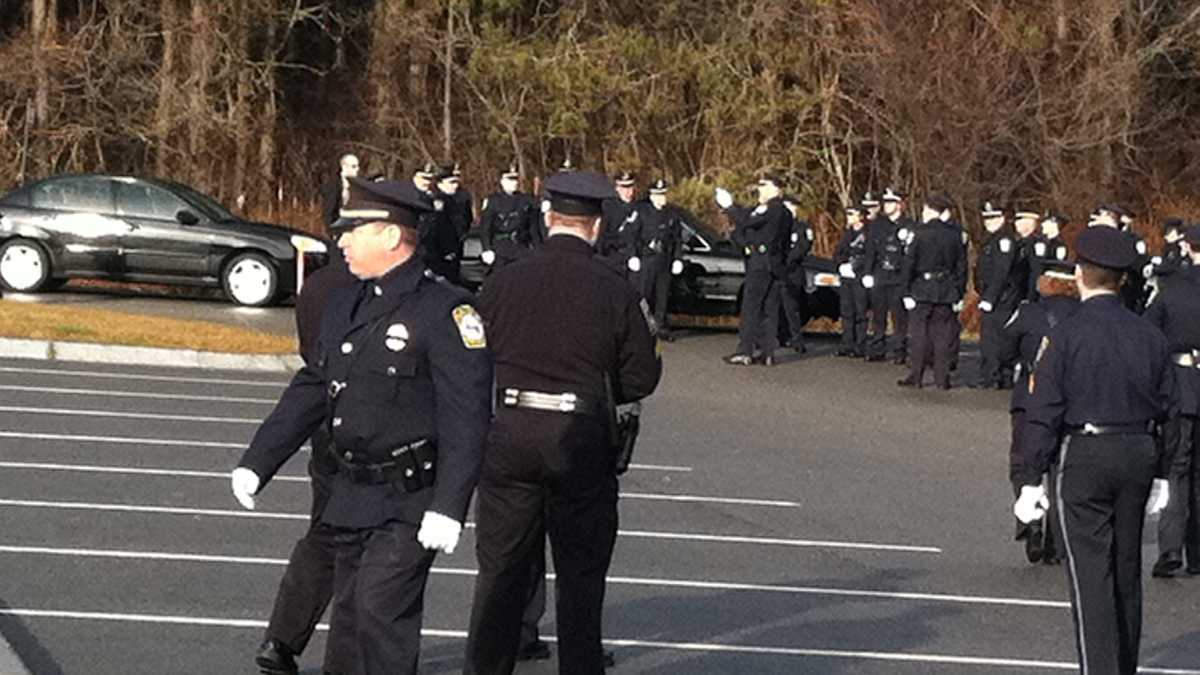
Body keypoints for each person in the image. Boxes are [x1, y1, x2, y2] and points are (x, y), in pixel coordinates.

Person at [230, 177, 492, 675]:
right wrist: (259, 460)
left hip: (411, 496)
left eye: (354, 231)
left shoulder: (445, 311)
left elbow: (469, 414)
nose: (342, 241)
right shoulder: (348, 302)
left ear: (392, 236)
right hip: (350, 491)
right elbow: (313, 386)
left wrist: (449, 506)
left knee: (380, 613)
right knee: (349, 622)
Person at [464, 169, 661, 675]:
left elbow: (473, 358)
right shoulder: (613, 288)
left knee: (500, 574)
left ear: (548, 218)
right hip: (579, 441)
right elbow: (640, 378)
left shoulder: (505, 280)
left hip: (509, 432)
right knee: (580, 579)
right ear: (596, 226)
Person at [1013, 225, 1173, 675]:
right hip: (1138, 450)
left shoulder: (1066, 334)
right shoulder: (1149, 336)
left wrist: (1029, 476)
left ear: (1080, 274)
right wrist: (1162, 470)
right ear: (1122, 279)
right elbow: (1168, 406)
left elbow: (1043, 408)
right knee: (1126, 572)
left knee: (1090, 579)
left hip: (1085, 451)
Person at [253, 245, 357, 675]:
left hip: (325, 420)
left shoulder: (316, 286)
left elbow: (307, 355)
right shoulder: (371, 290)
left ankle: (282, 639)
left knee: (323, 536)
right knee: (368, 548)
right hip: (371, 428)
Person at [997, 262, 1080, 565]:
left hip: (1030, 397)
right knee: (1061, 470)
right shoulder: (1083, 316)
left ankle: (1031, 521)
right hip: (1072, 399)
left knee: (1023, 462)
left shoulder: (1029, 312)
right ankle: (1056, 543)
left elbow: (1003, 350)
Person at [1145, 224, 1200, 578]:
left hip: (1181, 382)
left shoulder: (1172, 286)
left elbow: (1150, 334)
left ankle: (1171, 550)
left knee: (1177, 466)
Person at [716, 174, 791, 366]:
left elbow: (748, 221)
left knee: (751, 307)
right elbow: (748, 222)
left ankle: (745, 351)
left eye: (764, 186)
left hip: (761, 264)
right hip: (774, 265)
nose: (760, 190)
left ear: (776, 189)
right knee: (769, 310)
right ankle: (766, 353)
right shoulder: (783, 211)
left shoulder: (773, 209)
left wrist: (730, 206)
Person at [897, 193, 965, 389]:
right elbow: (961, 266)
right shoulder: (954, 234)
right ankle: (942, 379)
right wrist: (959, 292)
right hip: (945, 288)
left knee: (919, 334)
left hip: (922, 287)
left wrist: (905, 291)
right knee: (942, 335)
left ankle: (916, 376)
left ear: (929, 210)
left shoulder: (919, 232)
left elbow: (909, 264)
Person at [973, 202, 1023, 389]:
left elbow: (1002, 271)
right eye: (986, 218)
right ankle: (994, 374)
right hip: (992, 294)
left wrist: (990, 298)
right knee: (992, 338)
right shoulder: (991, 239)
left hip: (1002, 297)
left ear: (1002, 218)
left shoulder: (1005, 241)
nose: (988, 222)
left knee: (995, 339)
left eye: (993, 218)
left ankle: (994, 376)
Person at [634, 178, 691, 341]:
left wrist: (678, 258)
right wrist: (633, 255)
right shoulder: (642, 212)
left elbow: (677, 239)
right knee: (644, 293)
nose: (662, 198)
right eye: (658, 195)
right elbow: (633, 236)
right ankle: (640, 326)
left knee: (662, 295)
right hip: (647, 258)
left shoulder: (671, 214)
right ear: (651, 196)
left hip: (664, 259)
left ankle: (660, 326)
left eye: (663, 194)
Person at [863, 188, 914, 364]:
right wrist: (868, 273)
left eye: (891, 202)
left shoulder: (909, 225)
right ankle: (877, 348)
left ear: (900, 204)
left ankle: (900, 351)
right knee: (878, 315)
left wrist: (909, 280)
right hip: (880, 274)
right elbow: (870, 250)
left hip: (898, 277)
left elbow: (910, 255)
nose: (887, 205)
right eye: (885, 202)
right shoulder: (877, 224)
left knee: (899, 317)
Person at [479, 164, 540, 271]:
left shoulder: (526, 200)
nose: (514, 183)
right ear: (502, 181)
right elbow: (485, 228)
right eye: (510, 180)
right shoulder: (493, 201)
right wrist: (487, 248)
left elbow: (533, 228)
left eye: (515, 179)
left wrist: (538, 248)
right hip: (500, 249)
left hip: (521, 248)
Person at [413, 162, 462, 284]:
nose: (427, 182)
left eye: (429, 179)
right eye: (423, 178)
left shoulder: (435, 199)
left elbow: (443, 228)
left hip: (434, 253)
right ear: (414, 177)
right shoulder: (406, 197)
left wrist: (447, 249)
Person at [834, 205, 870, 357]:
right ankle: (847, 344)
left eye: (851, 214)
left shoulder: (868, 233)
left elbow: (869, 255)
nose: (848, 217)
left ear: (860, 216)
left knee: (860, 311)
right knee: (846, 311)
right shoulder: (847, 234)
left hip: (859, 276)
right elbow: (838, 252)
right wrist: (841, 264)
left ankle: (860, 345)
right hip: (846, 277)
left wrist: (855, 266)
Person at [780, 195, 814, 352]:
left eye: (792, 208)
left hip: (792, 272)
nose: (789, 211)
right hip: (776, 271)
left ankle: (796, 339)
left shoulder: (802, 227)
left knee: (791, 308)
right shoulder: (776, 227)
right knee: (772, 307)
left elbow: (802, 247)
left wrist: (786, 261)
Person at [599, 170, 641, 279]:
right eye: (623, 188)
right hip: (615, 258)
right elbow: (603, 237)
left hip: (638, 260)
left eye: (630, 187)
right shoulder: (608, 208)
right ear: (617, 188)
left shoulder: (640, 207)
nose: (627, 191)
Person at [1028, 211, 1070, 299]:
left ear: (1055, 224)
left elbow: (1056, 268)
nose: (1043, 224)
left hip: (1047, 288)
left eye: (1046, 222)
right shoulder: (1038, 241)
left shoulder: (1059, 245)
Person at [320, 154, 360, 227]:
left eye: (358, 166)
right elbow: (328, 211)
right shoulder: (332, 185)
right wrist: (332, 230)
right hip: (339, 227)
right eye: (353, 166)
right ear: (344, 167)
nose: (357, 169)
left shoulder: (358, 184)